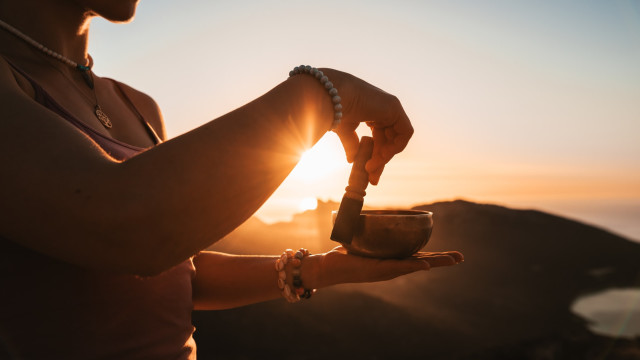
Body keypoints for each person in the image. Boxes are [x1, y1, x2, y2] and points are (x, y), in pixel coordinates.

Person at [0, 0, 463, 359]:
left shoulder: (136, 105)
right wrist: (326, 93)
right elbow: (126, 231)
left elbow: (172, 268)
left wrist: (318, 270)